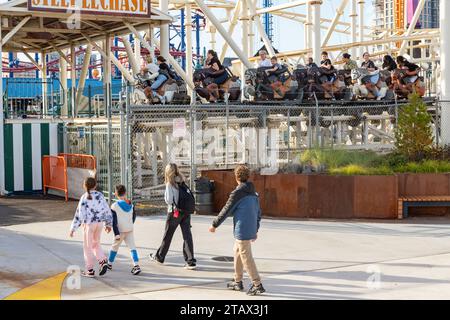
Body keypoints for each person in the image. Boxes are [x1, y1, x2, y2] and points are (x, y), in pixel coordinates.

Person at [208, 164, 265, 296]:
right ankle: (238, 281)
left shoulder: (237, 193)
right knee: (237, 251)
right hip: (250, 227)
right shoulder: (254, 192)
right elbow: (258, 212)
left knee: (246, 256)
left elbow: (226, 210)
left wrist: (214, 225)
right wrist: (255, 229)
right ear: (248, 177)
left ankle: (257, 284)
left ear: (236, 177)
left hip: (242, 229)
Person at [149, 163, 197, 270]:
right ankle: (190, 261)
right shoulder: (182, 180)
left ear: (167, 172)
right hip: (185, 211)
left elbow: (169, 200)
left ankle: (160, 257)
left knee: (168, 235)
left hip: (174, 212)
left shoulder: (170, 184)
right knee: (187, 235)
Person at [69, 177, 112, 278]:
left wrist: (73, 228)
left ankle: (90, 270)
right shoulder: (100, 195)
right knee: (96, 244)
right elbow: (107, 209)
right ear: (95, 185)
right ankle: (102, 261)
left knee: (87, 247)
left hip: (89, 225)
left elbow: (79, 214)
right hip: (100, 223)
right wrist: (108, 224)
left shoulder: (84, 197)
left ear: (84, 186)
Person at [107, 185, 141, 276]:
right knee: (132, 248)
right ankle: (136, 265)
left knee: (115, 247)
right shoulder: (131, 204)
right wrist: (130, 224)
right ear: (125, 193)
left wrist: (116, 233)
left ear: (115, 194)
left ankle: (109, 264)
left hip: (120, 231)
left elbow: (113, 221)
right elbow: (134, 216)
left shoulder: (114, 206)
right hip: (129, 229)